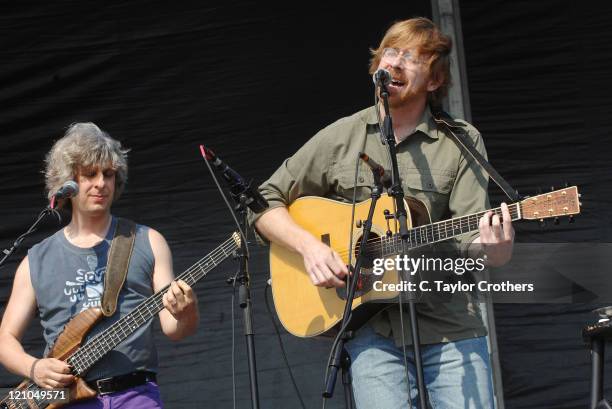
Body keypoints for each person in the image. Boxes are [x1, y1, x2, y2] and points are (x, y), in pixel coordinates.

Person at [252, 17, 514, 408]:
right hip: (372, 329)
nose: (395, 63)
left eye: (411, 58)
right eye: (391, 52)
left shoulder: (461, 140)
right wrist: (310, 248)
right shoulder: (343, 135)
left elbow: (470, 245)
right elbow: (262, 201)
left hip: (450, 326)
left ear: (434, 81)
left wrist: (496, 249)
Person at [0, 123, 199, 408]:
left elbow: (174, 329)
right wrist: (34, 368)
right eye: (90, 174)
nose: (101, 183)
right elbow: (4, 340)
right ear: (67, 183)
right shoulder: (36, 259)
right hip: (64, 399)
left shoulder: (148, 241)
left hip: (134, 395)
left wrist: (188, 312)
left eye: (108, 174)